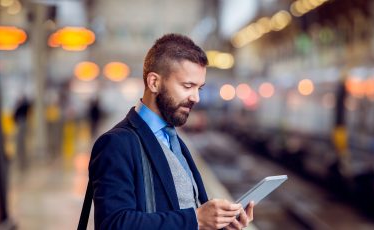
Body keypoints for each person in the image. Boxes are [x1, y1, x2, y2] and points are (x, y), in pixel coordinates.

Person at [88, 34, 254, 229]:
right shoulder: (116, 144)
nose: (196, 98)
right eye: (188, 86)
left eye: (199, 88)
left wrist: (217, 224)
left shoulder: (173, 139)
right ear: (154, 83)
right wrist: (197, 219)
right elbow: (113, 224)